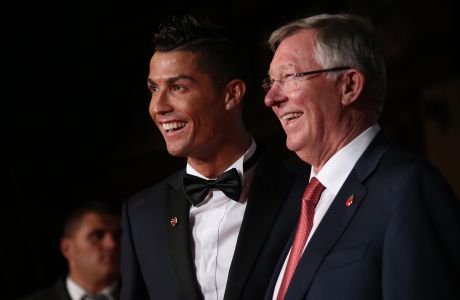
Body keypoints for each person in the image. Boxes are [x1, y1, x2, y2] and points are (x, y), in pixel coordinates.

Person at [262, 13, 460, 300]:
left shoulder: (408, 188)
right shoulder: (300, 206)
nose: (271, 99)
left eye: (290, 77)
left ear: (350, 86)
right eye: (271, 82)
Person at [120, 15, 308, 300]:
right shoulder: (141, 214)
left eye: (178, 87)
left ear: (232, 94)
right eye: (154, 89)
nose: (158, 107)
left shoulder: (306, 191)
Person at [20, 202, 121, 300]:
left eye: (118, 235)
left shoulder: (136, 293)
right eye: (97, 236)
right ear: (67, 248)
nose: (112, 245)